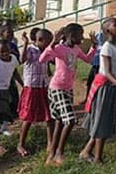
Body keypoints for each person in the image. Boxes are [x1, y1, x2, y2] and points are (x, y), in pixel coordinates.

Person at [39, 23, 97, 166]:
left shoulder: (76, 49)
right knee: (70, 120)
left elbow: (88, 59)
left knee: (60, 120)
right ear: (71, 36)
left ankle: (51, 155)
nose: (82, 38)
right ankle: (59, 152)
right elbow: (42, 59)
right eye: (80, 35)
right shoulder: (59, 48)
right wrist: (53, 42)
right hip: (57, 88)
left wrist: (94, 46)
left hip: (68, 88)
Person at [80, 18, 116, 164]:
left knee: (106, 120)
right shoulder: (107, 47)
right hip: (104, 87)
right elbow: (107, 72)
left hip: (112, 86)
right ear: (107, 31)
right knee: (101, 121)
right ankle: (97, 158)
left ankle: (86, 151)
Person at [16, 28, 54, 157]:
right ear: (39, 40)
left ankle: (50, 142)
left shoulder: (46, 51)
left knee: (49, 115)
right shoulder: (31, 49)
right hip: (31, 87)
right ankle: (21, 144)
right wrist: (25, 43)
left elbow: (48, 63)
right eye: (48, 42)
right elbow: (22, 60)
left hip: (43, 86)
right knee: (28, 117)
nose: (50, 45)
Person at [83, 32, 103, 104]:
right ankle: (88, 98)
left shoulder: (101, 48)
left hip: (99, 68)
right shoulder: (96, 47)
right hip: (94, 67)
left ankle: (94, 99)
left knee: (95, 83)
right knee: (90, 82)